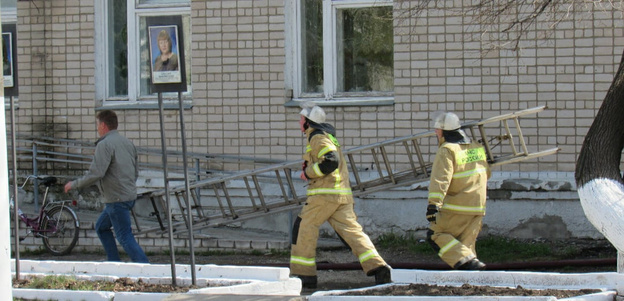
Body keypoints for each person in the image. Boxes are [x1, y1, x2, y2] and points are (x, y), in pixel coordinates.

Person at [290, 102, 392, 289]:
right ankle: (379, 267)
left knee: (303, 227)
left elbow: (331, 161)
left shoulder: (317, 137)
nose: (299, 122)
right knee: (352, 233)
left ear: (308, 122)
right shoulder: (327, 137)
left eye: (301, 119)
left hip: (324, 195)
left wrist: (309, 173)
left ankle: (304, 275)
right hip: (341, 195)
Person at [64, 110, 149, 263]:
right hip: (127, 196)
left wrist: (74, 184)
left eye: (97, 124)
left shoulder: (105, 144)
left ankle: (146, 269)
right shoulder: (127, 143)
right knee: (101, 227)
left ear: (103, 125)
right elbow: (135, 172)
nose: (97, 128)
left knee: (124, 236)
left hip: (116, 199)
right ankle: (113, 262)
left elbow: (96, 173)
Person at [425, 112, 491, 270]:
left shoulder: (447, 150)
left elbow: (441, 179)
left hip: (457, 207)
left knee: (435, 235)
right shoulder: (476, 146)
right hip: (478, 207)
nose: (435, 133)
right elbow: (487, 173)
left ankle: (473, 265)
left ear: (443, 131)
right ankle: (472, 284)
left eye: (437, 130)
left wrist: (433, 205)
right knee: (465, 249)